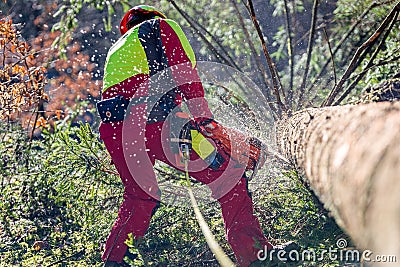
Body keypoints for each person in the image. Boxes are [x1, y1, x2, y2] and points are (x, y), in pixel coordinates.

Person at [97, 5, 278, 266]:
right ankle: (255, 257)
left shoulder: (117, 50)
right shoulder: (161, 26)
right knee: (230, 178)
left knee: (140, 195)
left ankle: (113, 262)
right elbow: (183, 74)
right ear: (155, 17)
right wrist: (205, 120)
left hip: (116, 130)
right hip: (155, 121)